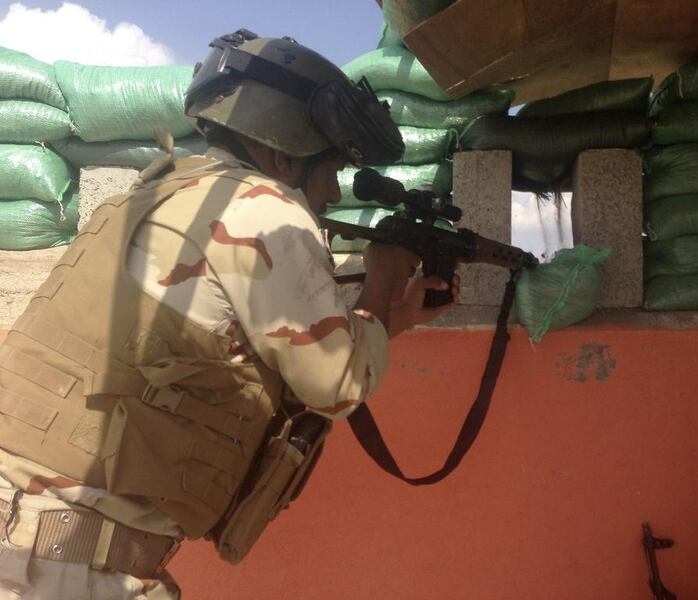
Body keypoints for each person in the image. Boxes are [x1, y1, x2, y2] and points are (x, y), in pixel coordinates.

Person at [0, 30, 457, 599]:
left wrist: (391, 317)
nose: (335, 192)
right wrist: (384, 282)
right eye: (331, 168)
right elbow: (336, 384)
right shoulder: (265, 210)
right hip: (61, 566)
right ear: (284, 154)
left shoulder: (156, 192)